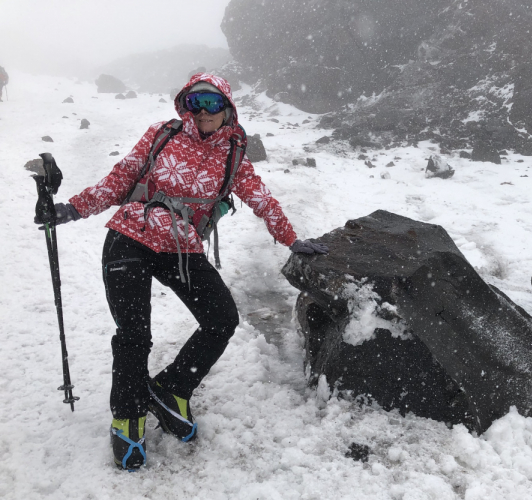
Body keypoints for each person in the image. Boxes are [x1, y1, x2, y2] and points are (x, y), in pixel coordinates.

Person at [34, 73, 328, 470]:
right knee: (134, 335)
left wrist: (291, 239)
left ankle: (171, 389)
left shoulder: (234, 154)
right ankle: (129, 417)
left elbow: (261, 199)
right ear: (184, 105)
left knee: (222, 319)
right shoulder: (162, 134)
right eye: (195, 103)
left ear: (227, 108)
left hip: (181, 246)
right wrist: (70, 209)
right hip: (130, 235)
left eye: (211, 104)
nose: (203, 112)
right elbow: (120, 179)